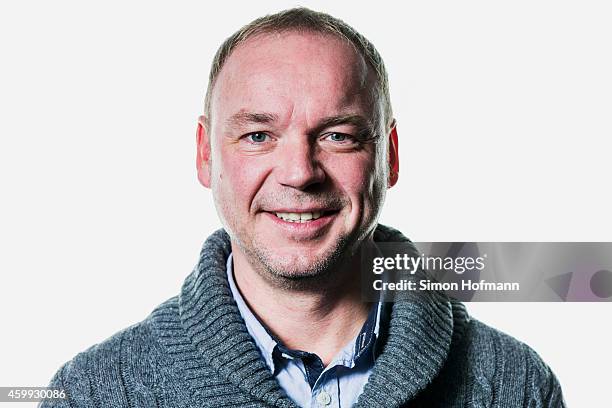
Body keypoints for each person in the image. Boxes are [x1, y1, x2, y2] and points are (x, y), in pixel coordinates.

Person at [43, 7, 564, 407]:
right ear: (205, 155)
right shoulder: (97, 393)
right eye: (257, 135)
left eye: (337, 135)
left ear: (390, 155)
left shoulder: (512, 385)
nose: (299, 172)